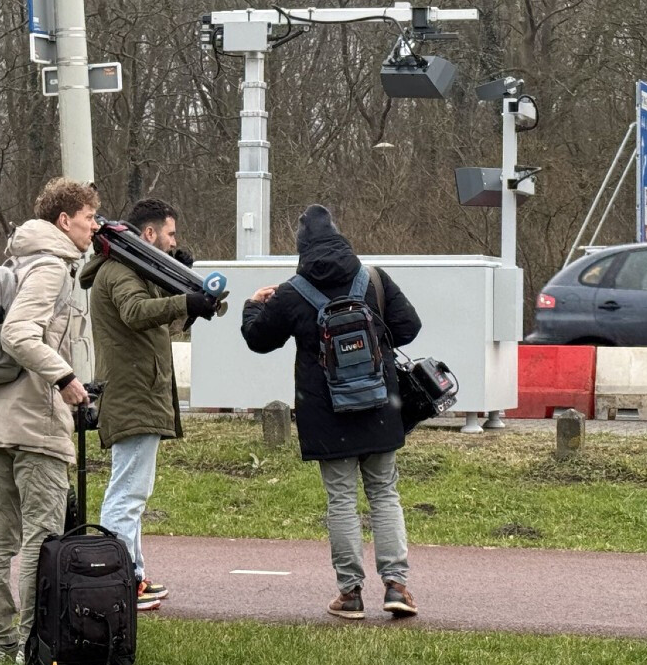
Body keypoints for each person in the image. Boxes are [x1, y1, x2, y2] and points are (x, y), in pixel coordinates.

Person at [241, 204, 423, 620]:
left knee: (341, 500)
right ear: (341, 237)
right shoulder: (373, 279)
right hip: (379, 404)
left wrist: (254, 304)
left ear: (302, 248)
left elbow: (258, 339)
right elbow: (409, 328)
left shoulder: (293, 291)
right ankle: (396, 586)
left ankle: (351, 594)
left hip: (327, 414)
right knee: (384, 493)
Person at [0, 177, 98, 664]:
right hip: (34, 425)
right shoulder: (50, 267)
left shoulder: (19, 261)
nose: (93, 227)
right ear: (64, 221)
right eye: (88, 217)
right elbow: (18, 334)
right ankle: (30, 644)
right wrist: (65, 377)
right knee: (40, 542)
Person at [79, 198, 216, 611]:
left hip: (141, 390)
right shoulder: (119, 269)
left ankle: (133, 573)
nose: (175, 243)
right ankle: (119, 581)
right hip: (133, 393)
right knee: (127, 494)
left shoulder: (133, 269)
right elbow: (137, 312)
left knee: (132, 491)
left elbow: (161, 318)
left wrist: (184, 296)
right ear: (150, 234)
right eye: (170, 235)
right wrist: (185, 301)